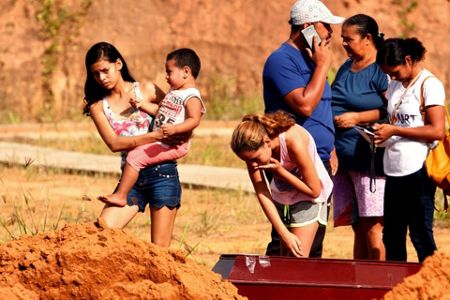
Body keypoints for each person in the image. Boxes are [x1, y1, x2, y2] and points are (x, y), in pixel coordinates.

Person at [83, 41, 190, 247]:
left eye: (105, 71)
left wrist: (181, 133)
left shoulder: (147, 90)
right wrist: (156, 135)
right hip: (131, 180)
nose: (101, 78)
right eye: (96, 74)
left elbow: (179, 114)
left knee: (160, 253)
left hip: (163, 175)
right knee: (100, 237)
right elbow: (114, 144)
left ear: (118, 64)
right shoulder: (98, 107)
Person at [262, 0, 344, 257]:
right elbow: (305, 105)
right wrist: (322, 66)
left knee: (314, 235)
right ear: (307, 26)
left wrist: (330, 146)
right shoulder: (281, 60)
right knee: (290, 240)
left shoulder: (311, 58)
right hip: (293, 161)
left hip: (318, 158)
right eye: (326, 26)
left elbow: (322, 106)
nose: (331, 33)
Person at [98, 48, 205, 206]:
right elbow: (159, 111)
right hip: (164, 139)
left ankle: (121, 196)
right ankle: (124, 193)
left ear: (186, 72)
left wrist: (176, 129)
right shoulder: (174, 93)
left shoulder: (191, 96)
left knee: (135, 156)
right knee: (136, 155)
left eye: (169, 72)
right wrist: (142, 105)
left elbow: (194, 120)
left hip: (173, 143)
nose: (166, 76)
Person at [374, 37, 446, 262]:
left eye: (394, 71)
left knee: (420, 235)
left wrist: (394, 131)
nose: (392, 77)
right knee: (392, 236)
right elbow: (397, 120)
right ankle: (398, 289)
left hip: (418, 171)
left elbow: (436, 131)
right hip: (394, 169)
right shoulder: (396, 84)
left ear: (408, 60)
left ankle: (435, 290)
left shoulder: (429, 84)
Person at [230, 111, 333, 257]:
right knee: (283, 260)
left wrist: (280, 172)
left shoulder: (292, 140)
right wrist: (283, 233)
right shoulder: (252, 151)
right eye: (247, 161)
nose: (253, 164)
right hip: (284, 198)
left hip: (310, 199)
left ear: (266, 142)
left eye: (255, 159)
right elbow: (262, 192)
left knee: (298, 258)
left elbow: (314, 191)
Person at [331, 14, 387, 260]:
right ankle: (360, 282)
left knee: (373, 226)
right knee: (357, 225)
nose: (343, 44)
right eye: (342, 39)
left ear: (367, 39)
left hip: (367, 160)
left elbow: (393, 109)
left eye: (348, 39)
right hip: (344, 160)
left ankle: (380, 287)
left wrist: (357, 117)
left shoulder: (381, 69)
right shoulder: (346, 66)